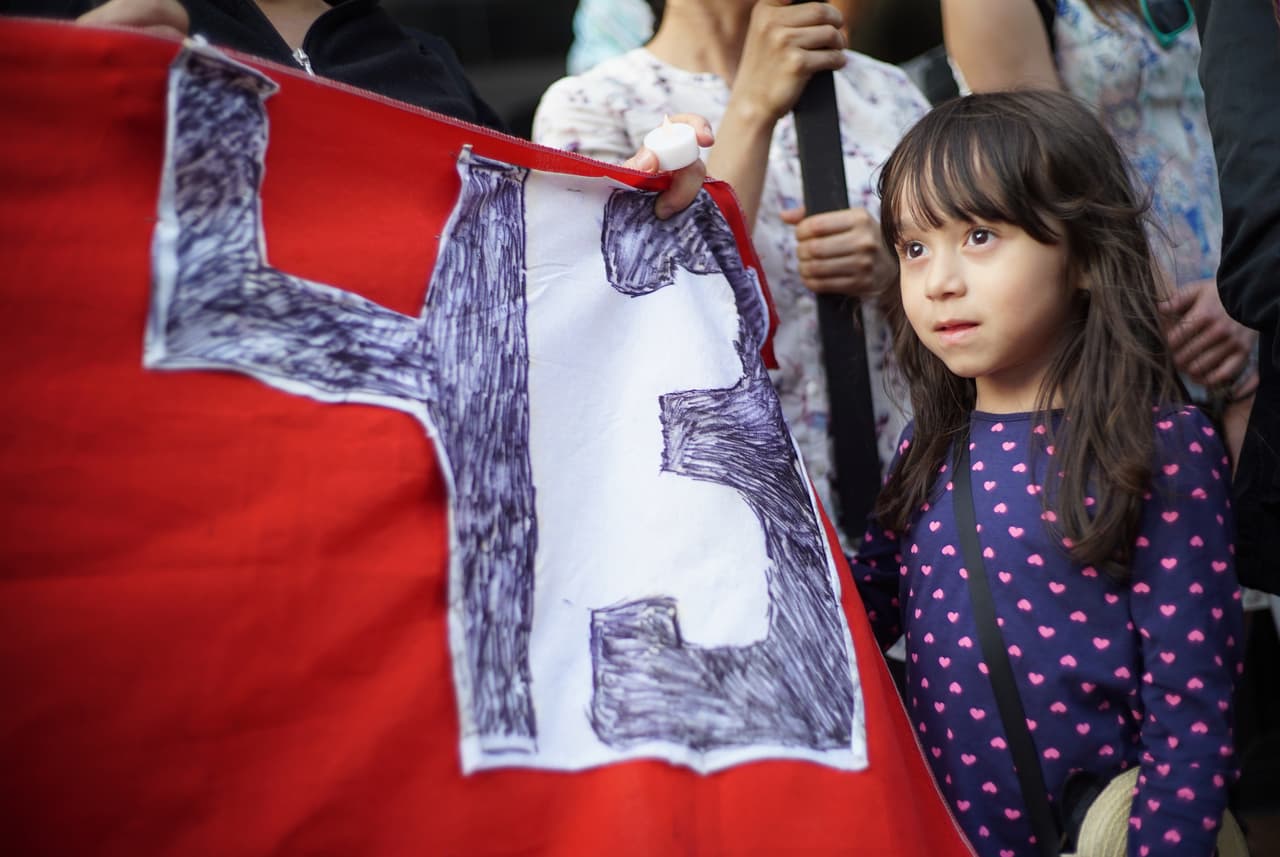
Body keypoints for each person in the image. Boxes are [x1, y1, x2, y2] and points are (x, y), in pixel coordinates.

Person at [851, 89, 1244, 856]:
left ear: (1088, 254)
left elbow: (1192, 709)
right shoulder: (928, 450)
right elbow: (858, 621)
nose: (939, 281)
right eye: (914, 247)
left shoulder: (1159, 445)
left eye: (979, 234)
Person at [533, 0, 930, 548]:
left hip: (908, 493)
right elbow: (632, 321)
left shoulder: (884, 92)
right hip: (731, 523)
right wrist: (752, 107)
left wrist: (898, 273)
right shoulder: (593, 107)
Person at [4, 0, 712, 220]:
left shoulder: (425, 64)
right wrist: (41, 115)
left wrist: (644, 198)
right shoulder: (89, 30)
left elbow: (533, 264)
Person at [940, 0, 1256, 468]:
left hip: (1249, 289)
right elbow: (1049, 169)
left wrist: (1251, 289)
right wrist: (1198, 323)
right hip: (1136, 325)